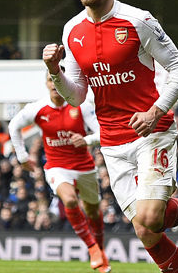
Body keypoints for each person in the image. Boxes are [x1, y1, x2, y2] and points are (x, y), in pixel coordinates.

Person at [42, 0, 178, 273]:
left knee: (150, 217)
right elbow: (77, 96)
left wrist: (155, 112)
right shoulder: (72, 30)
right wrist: (55, 71)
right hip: (112, 141)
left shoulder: (138, 20)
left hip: (152, 129)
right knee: (146, 232)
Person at [9, 68, 109, 273]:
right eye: (50, 80)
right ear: (46, 84)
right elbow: (14, 126)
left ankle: (100, 248)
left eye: (59, 80)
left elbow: (102, 132)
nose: (54, 83)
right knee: (70, 200)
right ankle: (92, 249)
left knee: (92, 211)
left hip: (84, 167)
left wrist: (87, 140)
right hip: (56, 166)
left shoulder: (81, 106)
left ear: (65, 83)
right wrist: (22, 156)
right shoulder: (37, 108)